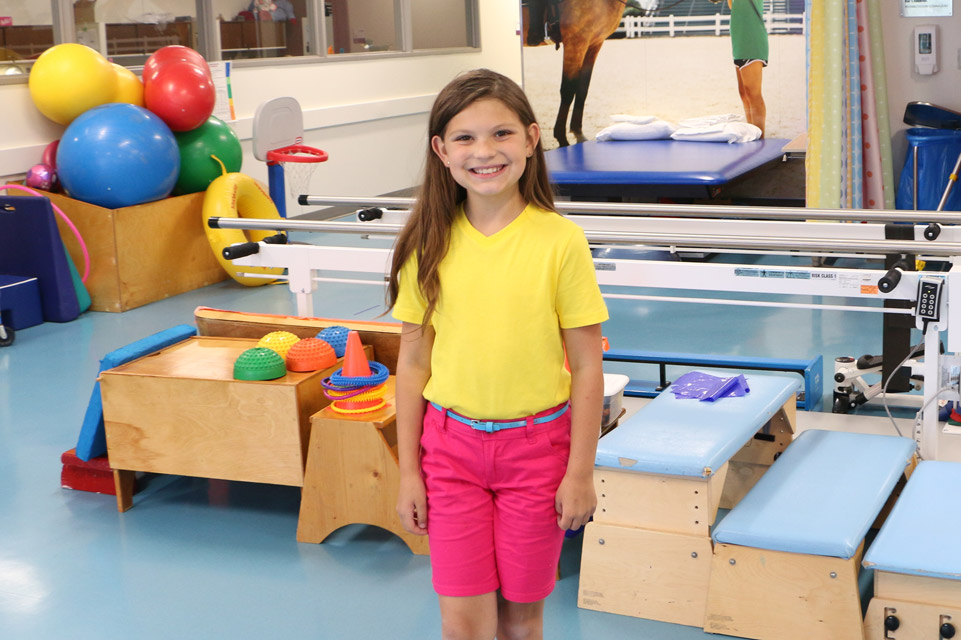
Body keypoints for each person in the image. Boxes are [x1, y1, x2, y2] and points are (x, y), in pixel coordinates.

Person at [388, 69, 608, 640]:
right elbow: (412, 364)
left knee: (520, 619)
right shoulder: (426, 245)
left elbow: (587, 364)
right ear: (441, 151)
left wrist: (579, 473)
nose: (484, 152)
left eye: (501, 134)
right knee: (463, 622)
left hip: (537, 454)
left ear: (532, 139)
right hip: (449, 452)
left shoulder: (560, 242)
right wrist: (408, 470)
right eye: (464, 138)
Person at [728, 0, 768, 136]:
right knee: (744, 92)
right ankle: (752, 133)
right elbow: (732, 6)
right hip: (739, 39)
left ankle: (760, 136)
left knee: (753, 92)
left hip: (752, 38)